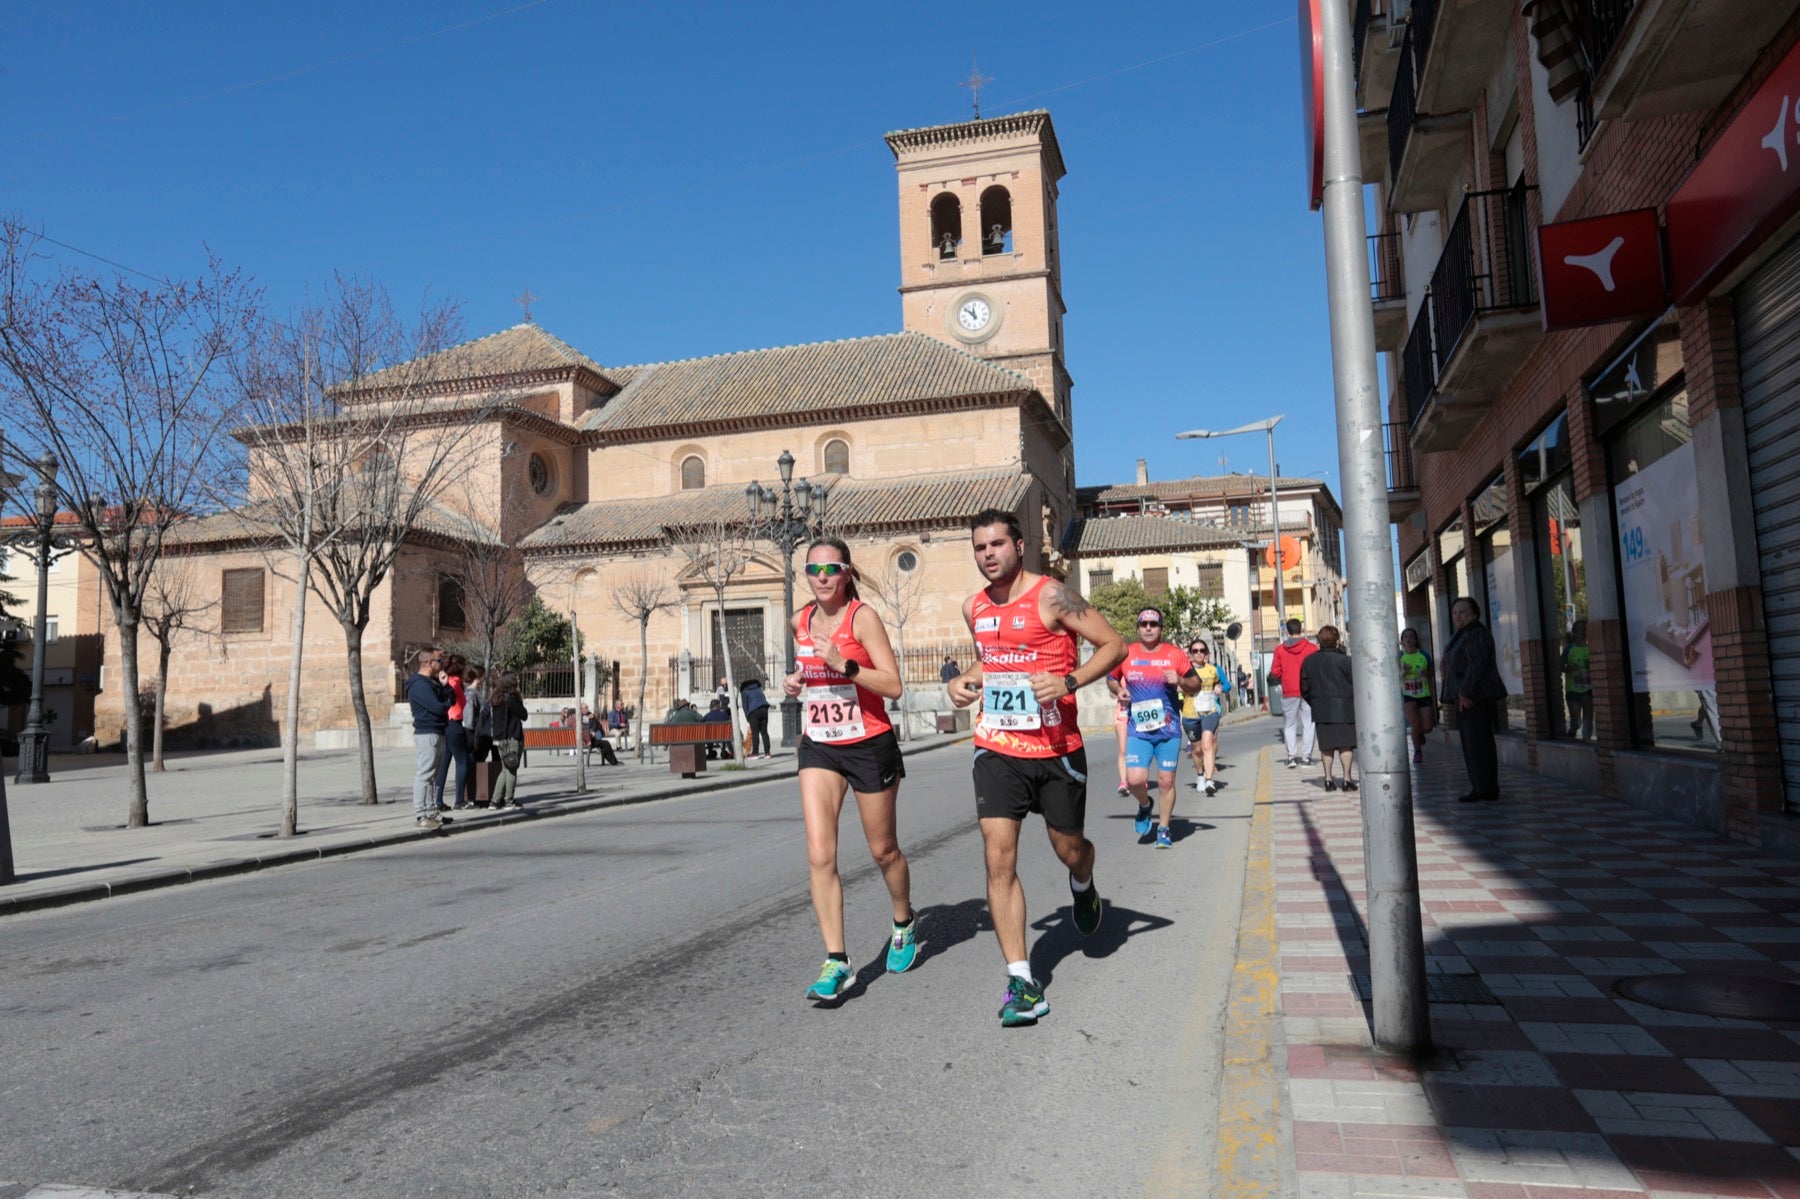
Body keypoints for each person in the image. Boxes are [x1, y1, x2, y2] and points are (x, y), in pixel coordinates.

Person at [947, 508, 1127, 1027]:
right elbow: (994, 657)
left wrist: (1069, 682)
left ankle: (1084, 881)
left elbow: (1114, 645)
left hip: (1055, 747)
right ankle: (1022, 980)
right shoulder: (973, 607)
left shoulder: (1051, 595)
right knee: (997, 858)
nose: (988, 555)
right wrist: (963, 681)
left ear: (1019, 546)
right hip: (996, 747)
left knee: (1069, 848)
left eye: (997, 544)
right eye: (979, 547)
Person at [783, 536, 918, 1001]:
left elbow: (894, 685)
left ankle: (903, 920)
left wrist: (847, 666)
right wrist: (796, 681)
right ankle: (836, 961)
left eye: (831, 569)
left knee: (884, 852)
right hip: (820, 745)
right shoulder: (799, 620)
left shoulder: (864, 619)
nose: (821, 578)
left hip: (868, 743)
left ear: (846, 573)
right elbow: (807, 668)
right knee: (820, 854)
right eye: (813, 571)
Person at [1107, 608, 1202, 848]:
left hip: (1168, 732)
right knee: (1134, 780)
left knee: (1166, 780)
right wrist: (1119, 690)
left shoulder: (1174, 654)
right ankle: (1146, 805)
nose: (1148, 628)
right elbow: (1110, 677)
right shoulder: (1127, 653)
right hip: (1138, 731)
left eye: (1153, 624)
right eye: (1143, 624)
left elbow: (1196, 685)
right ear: (1138, 627)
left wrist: (1180, 680)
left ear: (1161, 628)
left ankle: (1164, 828)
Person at [1442, 597, 1506, 802]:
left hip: (1475, 697)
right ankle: (1481, 785)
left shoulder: (1477, 633)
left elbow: (1476, 665)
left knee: (1477, 743)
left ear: (1474, 614)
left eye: (1462, 612)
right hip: (1465, 696)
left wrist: (1466, 693)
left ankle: (1484, 787)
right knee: (1472, 743)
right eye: (1455, 613)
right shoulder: (1463, 634)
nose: (1458, 616)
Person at [1302, 625, 1358, 791]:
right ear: (1336, 640)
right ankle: (1347, 779)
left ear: (1319, 640)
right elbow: (1356, 683)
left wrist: (1315, 701)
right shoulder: (1345, 661)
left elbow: (1304, 687)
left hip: (1321, 709)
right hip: (1344, 708)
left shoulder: (1309, 661)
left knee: (1326, 745)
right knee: (1345, 745)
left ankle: (1328, 779)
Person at [404, 647, 451, 829]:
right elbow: (437, 707)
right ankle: (420, 814)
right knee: (424, 774)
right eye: (439, 661)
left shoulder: (433, 683)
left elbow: (450, 700)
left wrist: (446, 687)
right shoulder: (419, 685)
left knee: (433, 775)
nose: (442, 665)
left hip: (438, 730)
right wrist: (445, 703)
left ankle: (431, 811)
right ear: (428, 663)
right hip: (427, 732)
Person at [1268, 619, 1318, 769]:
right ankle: (1307, 758)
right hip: (1308, 691)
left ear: (1287, 632)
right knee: (1309, 724)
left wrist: (1286, 673)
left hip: (1289, 690)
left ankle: (1291, 757)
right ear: (1301, 630)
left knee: (1290, 724)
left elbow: (1275, 671)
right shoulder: (1312, 648)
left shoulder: (1280, 650)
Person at [1182, 639, 1230, 796]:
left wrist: (1221, 688)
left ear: (1207, 653)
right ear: (1190, 654)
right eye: (1195, 651)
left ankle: (1210, 781)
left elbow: (1227, 685)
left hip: (1210, 712)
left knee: (1208, 743)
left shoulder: (1213, 669)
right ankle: (1200, 776)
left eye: (1202, 650)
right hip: (1190, 714)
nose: (1199, 653)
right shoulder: (1184, 671)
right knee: (1197, 750)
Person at [487, 671, 529, 810]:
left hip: (500, 739)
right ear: (511, 682)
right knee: (511, 770)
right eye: (516, 679)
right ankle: (509, 801)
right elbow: (524, 715)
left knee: (504, 770)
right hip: (512, 738)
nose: (518, 681)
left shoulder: (496, 697)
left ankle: (494, 801)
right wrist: (519, 699)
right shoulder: (511, 698)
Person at [1399, 627, 1436, 764]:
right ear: (1402, 641)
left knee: (1427, 727)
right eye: (1405, 637)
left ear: (1415, 640)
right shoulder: (1400, 657)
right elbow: (1393, 676)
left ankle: (1420, 732)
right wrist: (1403, 672)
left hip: (1423, 694)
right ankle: (1417, 751)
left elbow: (1432, 672)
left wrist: (1426, 673)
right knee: (1415, 722)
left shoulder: (1424, 655)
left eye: (1411, 636)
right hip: (1408, 695)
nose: (1408, 639)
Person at [461, 665, 492, 806]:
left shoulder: (475, 693)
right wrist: (476, 732)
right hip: (473, 736)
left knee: (477, 765)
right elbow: (468, 719)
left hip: (478, 735)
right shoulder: (471, 694)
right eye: (483, 676)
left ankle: (478, 796)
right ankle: (475, 797)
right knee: (474, 765)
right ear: (478, 677)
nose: (484, 679)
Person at [1560, 620, 1592, 741]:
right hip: (1573, 690)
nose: (1583, 631)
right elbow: (1560, 667)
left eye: (1585, 629)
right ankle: (1571, 734)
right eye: (1580, 629)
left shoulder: (1591, 648)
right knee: (1576, 722)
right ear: (1574, 632)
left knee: (1588, 720)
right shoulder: (1569, 650)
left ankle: (1586, 743)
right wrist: (1570, 668)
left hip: (1588, 689)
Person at [740, 678, 772, 759]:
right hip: (764, 709)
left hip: (753, 711)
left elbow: (745, 706)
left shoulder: (744, 691)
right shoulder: (759, 688)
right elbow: (763, 698)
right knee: (764, 732)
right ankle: (767, 753)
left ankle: (755, 753)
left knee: (755, 733)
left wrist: (748, 717)